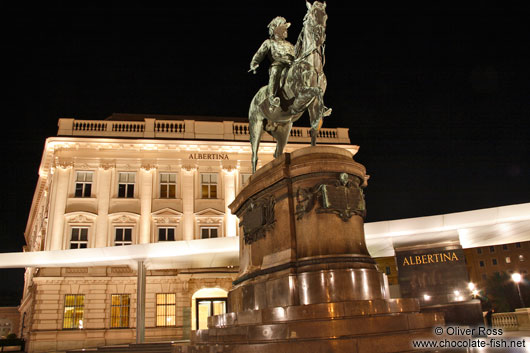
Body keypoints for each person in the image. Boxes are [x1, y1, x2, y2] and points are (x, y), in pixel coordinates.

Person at [249, 16, 295, 110]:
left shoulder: (290, 45)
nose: (286, 30)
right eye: (284, 29)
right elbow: (259, 54)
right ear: (277, 30)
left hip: (291, 65)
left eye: (286, 29)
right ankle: (272, 98)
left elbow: (296, 56)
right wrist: (254, 63)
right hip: (278, 65)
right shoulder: (269, 42)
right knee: (275, 70)